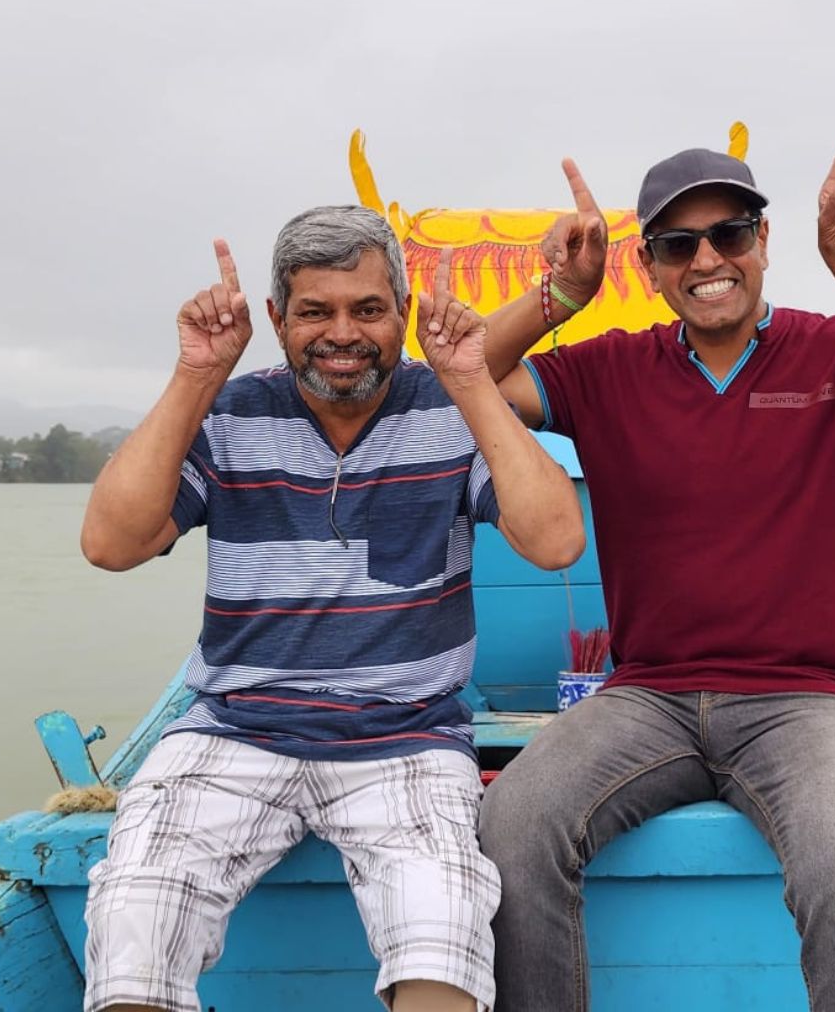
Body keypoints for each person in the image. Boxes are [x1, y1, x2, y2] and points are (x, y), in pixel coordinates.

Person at [474, 125, 835, 1012]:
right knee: (512, 826)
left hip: (813, 700)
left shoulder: (834, 354)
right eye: (678, 244)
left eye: (730, 233)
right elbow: (462, 379)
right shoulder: (608, 371)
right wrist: (559, 297)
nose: (707, 259)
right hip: (647, 696)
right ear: (649, 266)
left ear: (763, 242)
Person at [79, 205, 586, 1012]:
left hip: (407, 738)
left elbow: (556, 541)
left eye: (368, 309)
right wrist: (195, 376)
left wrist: (468, 379)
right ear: (278, 320)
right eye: (315, 311)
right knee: (134, 914)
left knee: (443, 937)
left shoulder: (450, 410)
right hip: (235, 733)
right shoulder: (230, 413)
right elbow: (111, 542)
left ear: (402, 316)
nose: (342, 333)